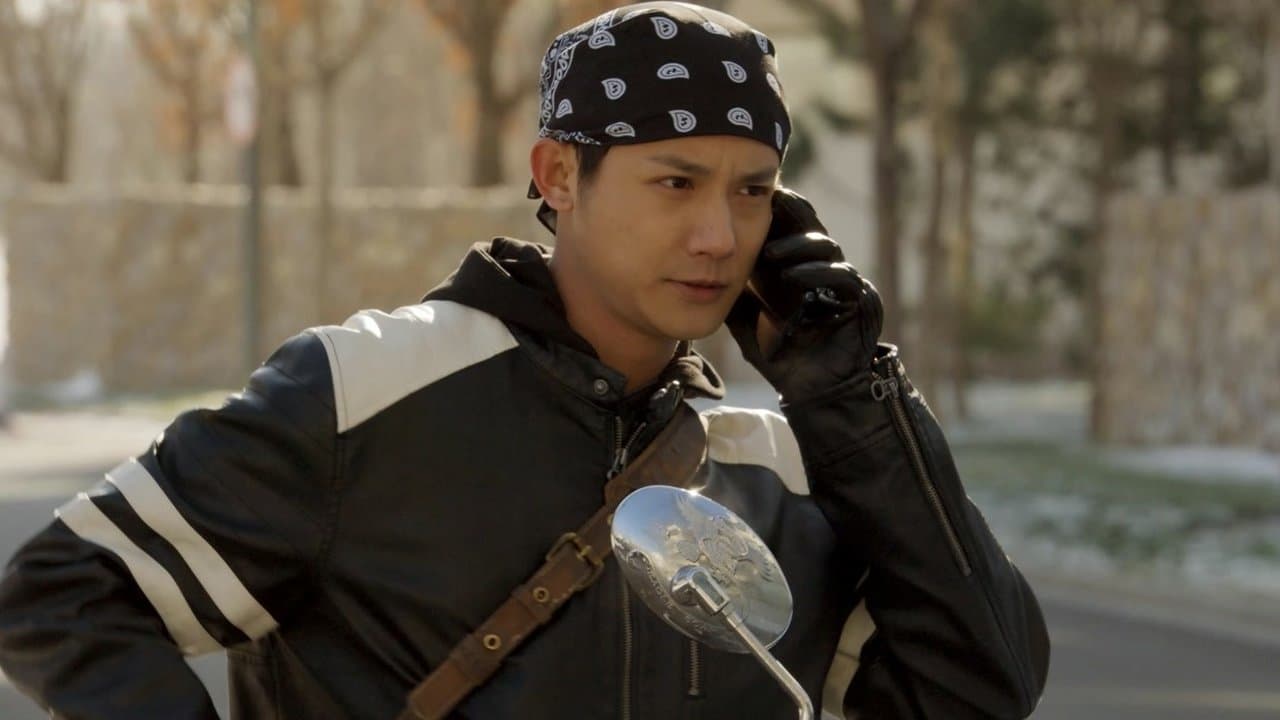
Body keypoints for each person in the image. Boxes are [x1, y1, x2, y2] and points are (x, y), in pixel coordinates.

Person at [0, 3, 1048, 718]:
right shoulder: (370, 393)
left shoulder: (780, 463)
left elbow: (983, 684)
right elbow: (63, 594)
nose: (719, 237)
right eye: (675, 182)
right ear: (559, 176)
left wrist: (857, 398)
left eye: (752, 190)